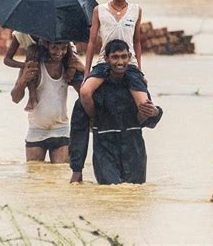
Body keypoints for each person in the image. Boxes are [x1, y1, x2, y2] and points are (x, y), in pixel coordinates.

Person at [69, 39, 162, 184]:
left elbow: (147, 119)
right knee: (109, 193)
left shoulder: (136, 87)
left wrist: (155, 112)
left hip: (134, 151)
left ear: (129, 57)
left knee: (134, 196)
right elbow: (78, 131)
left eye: (124, 57)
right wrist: (77, 169)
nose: (120, 62)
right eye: (115, 57)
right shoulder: (95, 92)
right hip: (105, 152)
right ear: (106, 59)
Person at [80, 0, 148, 122]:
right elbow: (91, 43)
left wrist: (140, 70)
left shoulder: (136, 10)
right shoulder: (99, 11)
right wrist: (86, 73)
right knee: (85, 92)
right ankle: (94, 120)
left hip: (129, 63)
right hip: (105, 62)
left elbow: (137, 41)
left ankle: (134, 126)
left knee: (144, 104)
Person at [10, 40, 84, 163]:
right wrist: (23, 80)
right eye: (55, 48)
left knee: (60, 176)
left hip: (61, 130)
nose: (59, 53)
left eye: (63, 48)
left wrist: (82, 68)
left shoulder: (68, 67)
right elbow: (15, 98)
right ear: (47, 46)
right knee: (34, 178)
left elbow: (84, 93)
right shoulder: (33, 66)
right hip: (36, 130)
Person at [4, 31, 76, 111]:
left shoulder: (51, 28)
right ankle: (32, 97)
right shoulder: (21, 33)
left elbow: (68, 48)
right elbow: (7, 60)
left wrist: (71, 67)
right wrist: (25, 66)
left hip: (58, 51)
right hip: (34, 58)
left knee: (76, 72)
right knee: (31, 50)